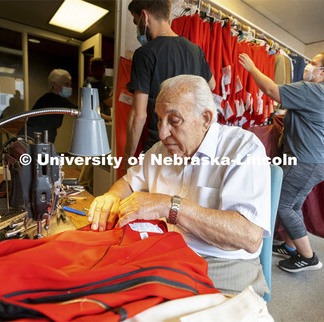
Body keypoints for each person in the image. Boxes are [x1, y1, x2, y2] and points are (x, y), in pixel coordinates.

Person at [88, 75, 271, 296]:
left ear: (205, 118)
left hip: (221, 264)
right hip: (164, 252)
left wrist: (170, 206)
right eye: (159, 120)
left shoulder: (243, 148)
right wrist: (111, 197)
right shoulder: (159, 150)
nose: (163, 133)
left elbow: (248, 236)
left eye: (174, 121)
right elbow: (127, 183)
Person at [239, 51, 324, 273]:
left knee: (283, 204)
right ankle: (291, 248)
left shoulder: (314, 90)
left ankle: (309, 257)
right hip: (317, 161)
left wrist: (252, 67)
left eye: (313, 63)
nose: (308, 66)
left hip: (308, 161)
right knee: (294, 203)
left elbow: (272, 91)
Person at [124, 0, 216, 171]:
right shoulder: (196, 50)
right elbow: (212, 84)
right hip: (191, 148)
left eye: (137, 23)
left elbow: (139, 115)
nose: (138, 28)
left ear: (144, 16)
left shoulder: (145, 54)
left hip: (161, 148)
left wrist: (128, 159)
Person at [19, 69, 77, 143]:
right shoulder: (54, 99)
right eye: (66, 84)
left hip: (34, 138)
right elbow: (78, 111)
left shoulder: (48, 98)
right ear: (54, 85)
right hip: (33, 139)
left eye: (70, 84)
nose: (69, 87)